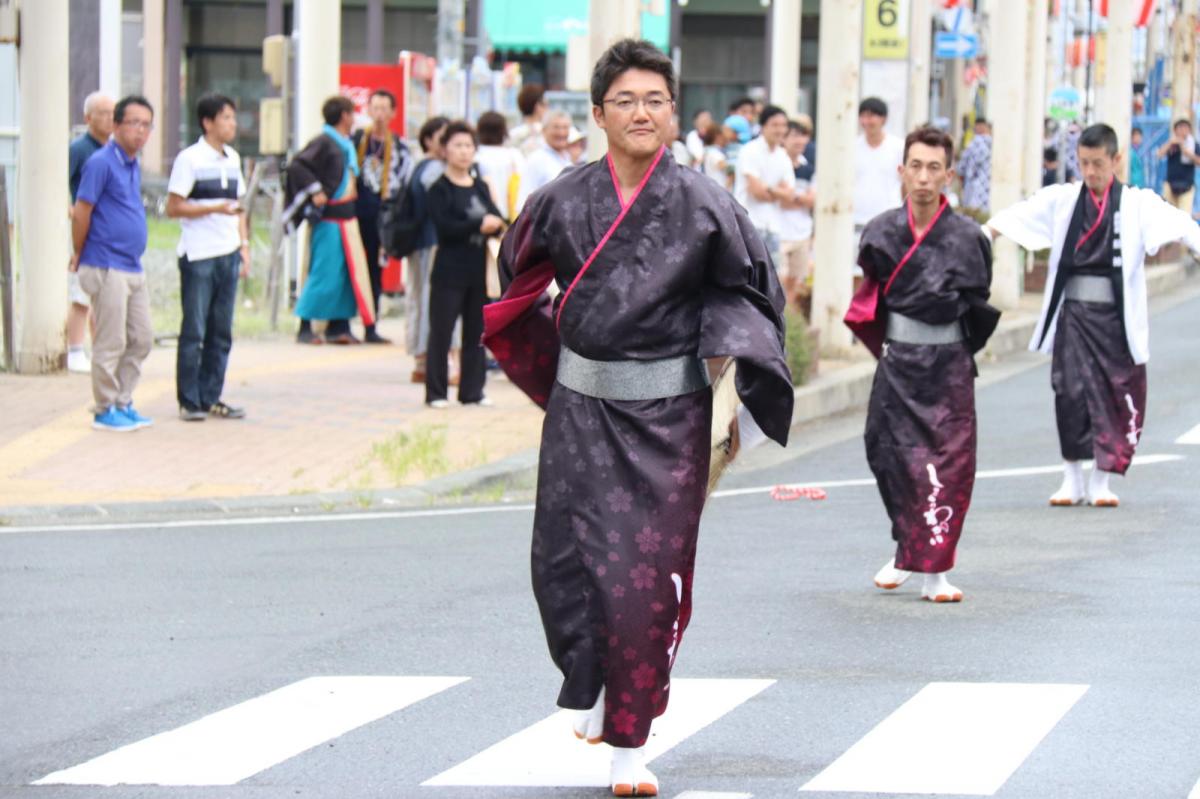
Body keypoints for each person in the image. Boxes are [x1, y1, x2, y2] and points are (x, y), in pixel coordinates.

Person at [483, 39, 792, 796]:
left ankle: (630, 742)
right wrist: (546, 355)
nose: (642, 112)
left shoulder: (706, 204)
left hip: (667, 418)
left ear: (673, 112)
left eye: (655, 99)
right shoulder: (561, 198)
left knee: (646, 583)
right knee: (563, 563)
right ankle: (588, 679)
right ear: (597, 114)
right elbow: (516, 274)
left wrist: (737, 368)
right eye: (626, 100)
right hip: (582, 409)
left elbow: (752, 292)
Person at [987, 123, 1200, 508]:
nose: (1091, 172)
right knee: (1068, 393)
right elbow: (1023, 213)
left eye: (1098, 163)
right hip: (1074, 316)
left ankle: (1101, 480)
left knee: (1113, 394)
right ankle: (1071, 477)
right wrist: (988, 232)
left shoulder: (1138, 204)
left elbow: (1182, 225)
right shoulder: (1065, 200)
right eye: (1084, 163)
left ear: (1115, 160)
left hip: (1116, 320)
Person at [856, 126, 999, 604]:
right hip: (898, 362)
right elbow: (870, 297)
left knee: (948, 463)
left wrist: (956, 351)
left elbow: (978, 304)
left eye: (934, 167)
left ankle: (936, 572)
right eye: (915, 166)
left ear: (949, 174)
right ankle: (905, 549)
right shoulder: (879, 232)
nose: (923, 177)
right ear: (901, 171)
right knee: (887, 453)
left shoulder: (968, 238)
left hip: (948, 365)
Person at [70, 95, 155, 432]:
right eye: (133, 122)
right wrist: (79, 251)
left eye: (146, 124)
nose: (140, 130)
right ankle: (105, 407)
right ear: (116, 125)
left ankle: (124, 399)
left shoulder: (132, 164)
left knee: (142, 337)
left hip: (132, 265)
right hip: (105, 263)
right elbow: (82, 210)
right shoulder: (101, 162)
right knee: (111, 340)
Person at [165, 93, 249, 422]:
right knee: (195, 330)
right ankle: (189, 400)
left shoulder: (233, 159)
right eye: (226, 118)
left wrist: (244, 246)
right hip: (199, 254)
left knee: (221, 331)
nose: (232, 124)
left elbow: (239, 207)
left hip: (228, 253)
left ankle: (211, 396)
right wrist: (213, 208)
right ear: (208, 122)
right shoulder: (190, 159)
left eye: (232, 117)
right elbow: (174, 207)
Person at [284, 95, 376, 346]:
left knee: (347, 275)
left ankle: (339, 326)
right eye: (351, 113)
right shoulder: (324, 141)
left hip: (348, 218)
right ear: (344, 116)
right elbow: (298, 166)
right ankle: (305, 324)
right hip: (330, 219)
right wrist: (315, 190)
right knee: (324, 273)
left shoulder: (344, 143)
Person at [425, 121, 504, 409]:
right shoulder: (439, 189)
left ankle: (473, 391)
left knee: (476, 332)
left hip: (478, 270)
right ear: (445, 150)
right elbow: (445, 227)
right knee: (442, 332)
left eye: (468, 145)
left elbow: (497, 218)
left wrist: (494, 225)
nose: (463, 151)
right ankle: (436, 392)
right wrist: (478, 224)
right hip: (448, 269)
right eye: (457, 145)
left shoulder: (480, 186)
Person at [352, 88, 412, 344]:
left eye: (383, 109)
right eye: (374, 108)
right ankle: (340, 322)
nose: (378, 114)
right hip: (354, 213)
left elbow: (404, 182)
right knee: (351, 267)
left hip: (382, 215)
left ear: (393, 113)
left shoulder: (399, 147)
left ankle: (370, 323)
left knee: (375, 270)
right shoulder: (356, 140)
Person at [66, 91, 115, 374]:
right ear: (88, 118)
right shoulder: (79, 149)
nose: (110, 119)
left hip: (105, 231)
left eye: (113, 113)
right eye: (103, 113)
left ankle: (101, 350)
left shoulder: (115, 151)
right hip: (81, 227)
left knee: (103, 292)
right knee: (81, 291)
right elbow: (61, 182)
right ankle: (74, 349)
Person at [405, 116, 450, 382]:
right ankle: (424, 359)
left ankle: (421, 358)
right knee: (428, 301)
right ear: (429, 140)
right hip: (431, 244)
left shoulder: (420, 166)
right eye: (443, 138)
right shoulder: (434, 170)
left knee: (419, 299)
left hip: (421, 243)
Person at [733, 104, 794, 260]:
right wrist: (777, 191)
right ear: (763, 126)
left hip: (774, 226)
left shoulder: (783, 156)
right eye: (775, 125)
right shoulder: (750, 150)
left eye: (783, 125)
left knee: (772, 280)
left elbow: (790, 196)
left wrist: (768, 188)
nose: (780, 130)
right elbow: (757, 192)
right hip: (749, 224)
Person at [853, 97, 905, 237]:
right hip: (857, 222)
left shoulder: (898, 147)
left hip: (888, 222)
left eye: (871, 116)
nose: (866, 121)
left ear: (883, 119)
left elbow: (906, 183)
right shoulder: (852, 148)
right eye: (862, 116)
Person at [779, 119, 816, 309]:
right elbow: (782, 201)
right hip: (780, 233)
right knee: (780, 280)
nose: (799, 141)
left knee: (796, 283)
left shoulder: (809, 168)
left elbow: (813, 199)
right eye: (794, 136)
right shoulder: (777, 164)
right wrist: (798, 198)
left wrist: (791, 197)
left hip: (801, 233)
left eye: (803, 136)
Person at [517, 110, 574, 209]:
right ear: (544, 131)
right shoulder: (537, 160)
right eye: (556, 127)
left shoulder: (568, 159)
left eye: (565, 127)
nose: (561, 132)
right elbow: (524, 202)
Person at [474, 110, 524, 221]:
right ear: (503, 131)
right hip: (513, 214)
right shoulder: (514, 155)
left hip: (485, 217)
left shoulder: (475, 156)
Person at [1156, 118, 1199, 212]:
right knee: (1168, 214)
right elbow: (1159, 154)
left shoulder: (1194, 145)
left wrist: (1188, 153)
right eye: (1180, 128)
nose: (1183, 130)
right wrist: (1170, 143)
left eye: (1185, 128)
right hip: (1170, 185)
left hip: (1187, 187)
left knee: (1184, 216)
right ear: (1175, 130)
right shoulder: (1171, 144)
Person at [957, 117, 992, 214]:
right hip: (988, 185)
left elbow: (962, 166)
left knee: (972, 213)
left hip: (973, 184)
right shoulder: (994, 143)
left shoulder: (973, 143)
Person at [509, 83, 548, 156]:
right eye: (546, 105)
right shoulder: (548, 133)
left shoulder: (513, 133)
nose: (547, 109)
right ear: (538, 106)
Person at [699, 122, 731, 189]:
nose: (726, 139)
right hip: (719, 191)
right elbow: (730, 170)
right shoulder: (716, 154)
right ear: (718, 137)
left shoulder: (706, 152)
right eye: (724, 136)